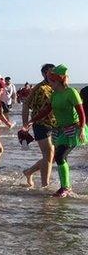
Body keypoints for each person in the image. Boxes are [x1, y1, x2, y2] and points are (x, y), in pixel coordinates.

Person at [26, 64, 86, 197]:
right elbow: (47, 110)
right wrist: (32, 120)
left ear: (57, 81)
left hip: (75, 129)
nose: (49, 84)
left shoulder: (71, 92)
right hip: (62, 130)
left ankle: (65, 187)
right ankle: (65, 186)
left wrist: (81, 129)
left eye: (51, 81)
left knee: (59, 156)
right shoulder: (54, 94)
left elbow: (81, 113)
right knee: (59, 156)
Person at [22, 64, 56, 188]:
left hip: (56, 125)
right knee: (49, 153)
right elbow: (26, 104)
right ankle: (45, 186)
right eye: (49, 72)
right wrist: (25, 124)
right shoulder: (39, 88)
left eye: (54, 71)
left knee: (55, 156)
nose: (52, 74)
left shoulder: (58, 85)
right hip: (41, 124)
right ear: (44, 74)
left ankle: (29, 172)